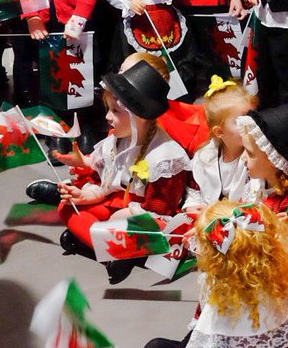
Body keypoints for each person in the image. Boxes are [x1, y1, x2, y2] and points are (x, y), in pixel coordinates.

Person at [31, 55, 191, 282]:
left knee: (136, 227)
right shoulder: (117, 140)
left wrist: (126, 215)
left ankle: (100, 246)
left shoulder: (166, 157)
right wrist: (84, 195)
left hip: (144, 217)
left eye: (116, 111)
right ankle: (116, 253)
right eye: (109, 109)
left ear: (140, 118)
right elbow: (105, 183)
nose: (107, 117)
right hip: (116, 206)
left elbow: (162, 211)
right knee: (67, 209)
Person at [148, 200, 288, 348]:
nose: (192, 248)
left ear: (218, 259)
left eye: (197, 244)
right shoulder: (230, 279)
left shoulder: (256, 312)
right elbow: (205, 321)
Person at [183, 80, 257, 214]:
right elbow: (194, 192)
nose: (250, 123)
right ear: (220, 132)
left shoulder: (254, 158)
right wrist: (192, 206)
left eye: (253, 116)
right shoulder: (205, 156)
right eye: (241, 120)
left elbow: (253, 202)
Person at [238, 102, 288, 214]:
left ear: (274, 159)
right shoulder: (257, 184)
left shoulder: (285, 207)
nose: (242, 157)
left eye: (250, 153)